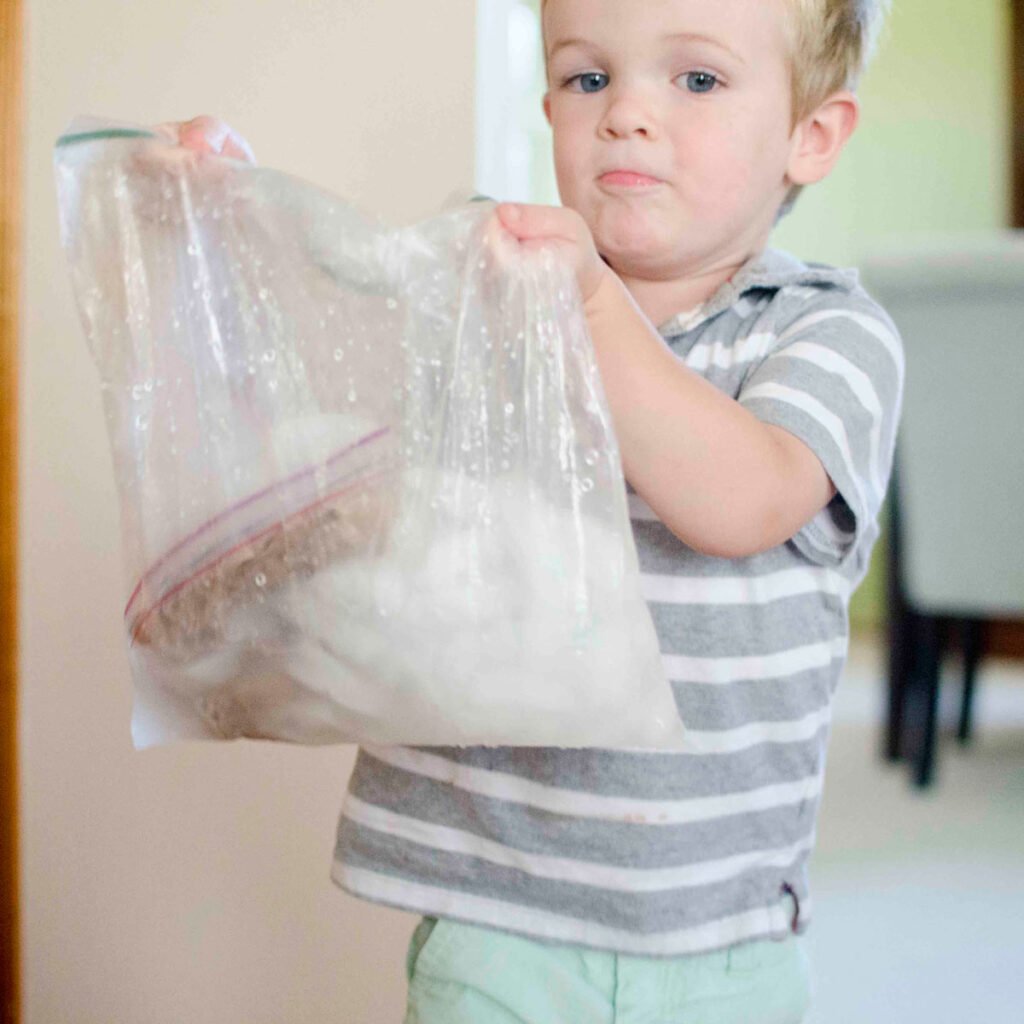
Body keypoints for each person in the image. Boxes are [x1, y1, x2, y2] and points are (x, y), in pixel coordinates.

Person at [168, 0, 902, 1019]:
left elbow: (741, 499)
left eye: (694, 80)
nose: (626, 114)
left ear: (809, 134)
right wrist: (230, 221)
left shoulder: (824, 332)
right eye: (587, 77)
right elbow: (331, 371)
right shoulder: (492, 292)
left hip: (714, 938)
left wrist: (593, 308)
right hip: (494, 914)